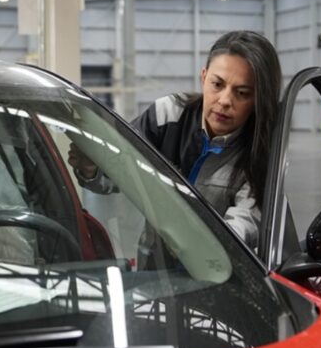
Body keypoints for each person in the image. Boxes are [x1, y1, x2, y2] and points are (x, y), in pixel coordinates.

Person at [69, 30, 282, 251]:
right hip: (155, 265)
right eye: (217, 84)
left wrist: (196, 250)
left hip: (216, 267)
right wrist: (93, 168)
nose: (225, 100)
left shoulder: (260, 152)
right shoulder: (167, 115)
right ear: (203, 77)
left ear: (258, 98)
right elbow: (119, 172)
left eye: (242, 93)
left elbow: (242, 228)